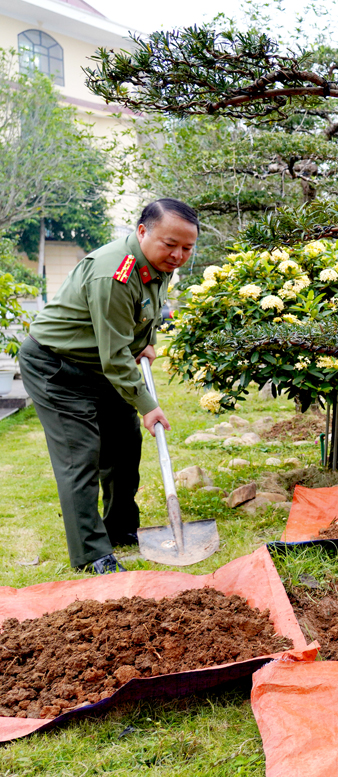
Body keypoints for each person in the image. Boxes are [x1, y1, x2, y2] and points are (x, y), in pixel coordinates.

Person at [19, 198, 198, 574]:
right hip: (57, 367)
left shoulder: (157, 263)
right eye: (170, 245)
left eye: (187, 247)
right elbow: (115, 353)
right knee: (80, 457)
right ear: (142, 231)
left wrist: (143, 341)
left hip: (100, 364)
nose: (179, 254)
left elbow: (136, 316)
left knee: (124, 445)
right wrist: (148, 405)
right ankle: (91, 553)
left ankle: (119, 528)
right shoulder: (114, 272)